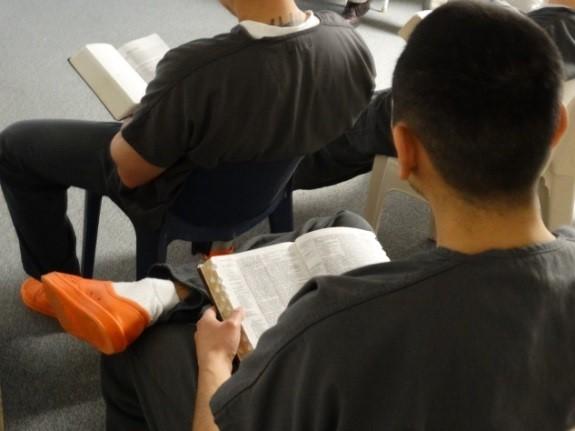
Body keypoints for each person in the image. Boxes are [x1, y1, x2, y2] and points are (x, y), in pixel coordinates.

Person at [25, 1, 575, 429]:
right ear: (557, 130)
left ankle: (158, 300)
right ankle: (170, 290)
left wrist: (215, 363)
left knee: (140, 352)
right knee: (341, 226)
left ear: (404, 151)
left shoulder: (340, 323)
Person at [0, 0, 375, 291]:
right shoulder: (350, 44)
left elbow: (129, 171)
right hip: (266, 189)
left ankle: (58, 284)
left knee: (15, 146)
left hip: (180, 195)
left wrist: (139, 124)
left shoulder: (199, 67)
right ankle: (218, 243)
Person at [294, 0, 575, 190]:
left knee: (343, 132)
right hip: (484, 126)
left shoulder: (545, 31)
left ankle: (273, 173)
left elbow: (456, 83)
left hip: (443, 118)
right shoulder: (553, 28)